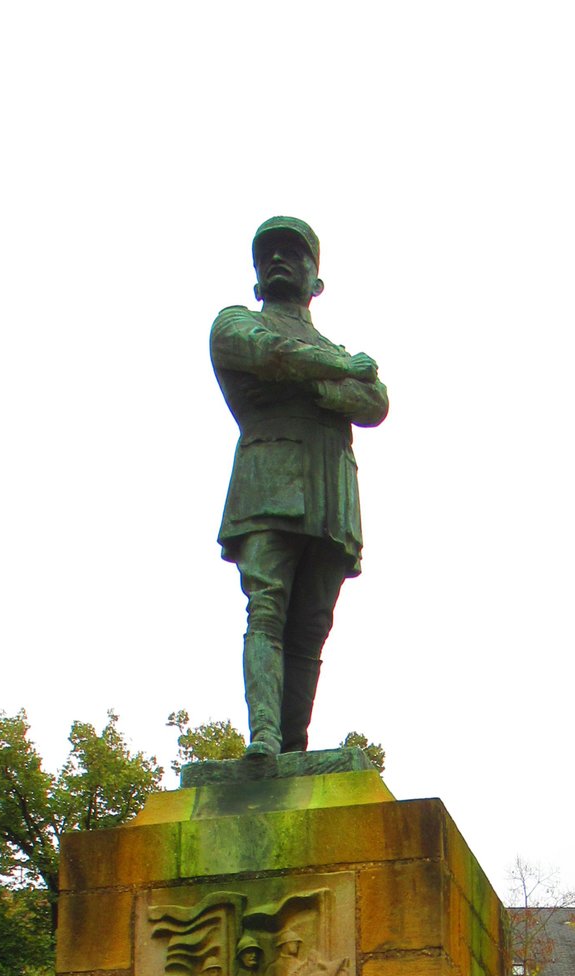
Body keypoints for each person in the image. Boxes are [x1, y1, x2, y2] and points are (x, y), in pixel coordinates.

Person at [211, 218, 389, 765]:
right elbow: (265, 353)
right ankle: (263, 738)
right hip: (269, 485)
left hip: (331, 498)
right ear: (257, 279)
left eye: (296, 252)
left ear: (317, 280)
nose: (280, 259)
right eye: (269, 254)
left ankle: (292, 747)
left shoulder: (330, 345)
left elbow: (375, 402)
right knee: (266, 607)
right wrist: (336, 370)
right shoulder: (235, 322)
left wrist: (314, 381)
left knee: (312, 626)